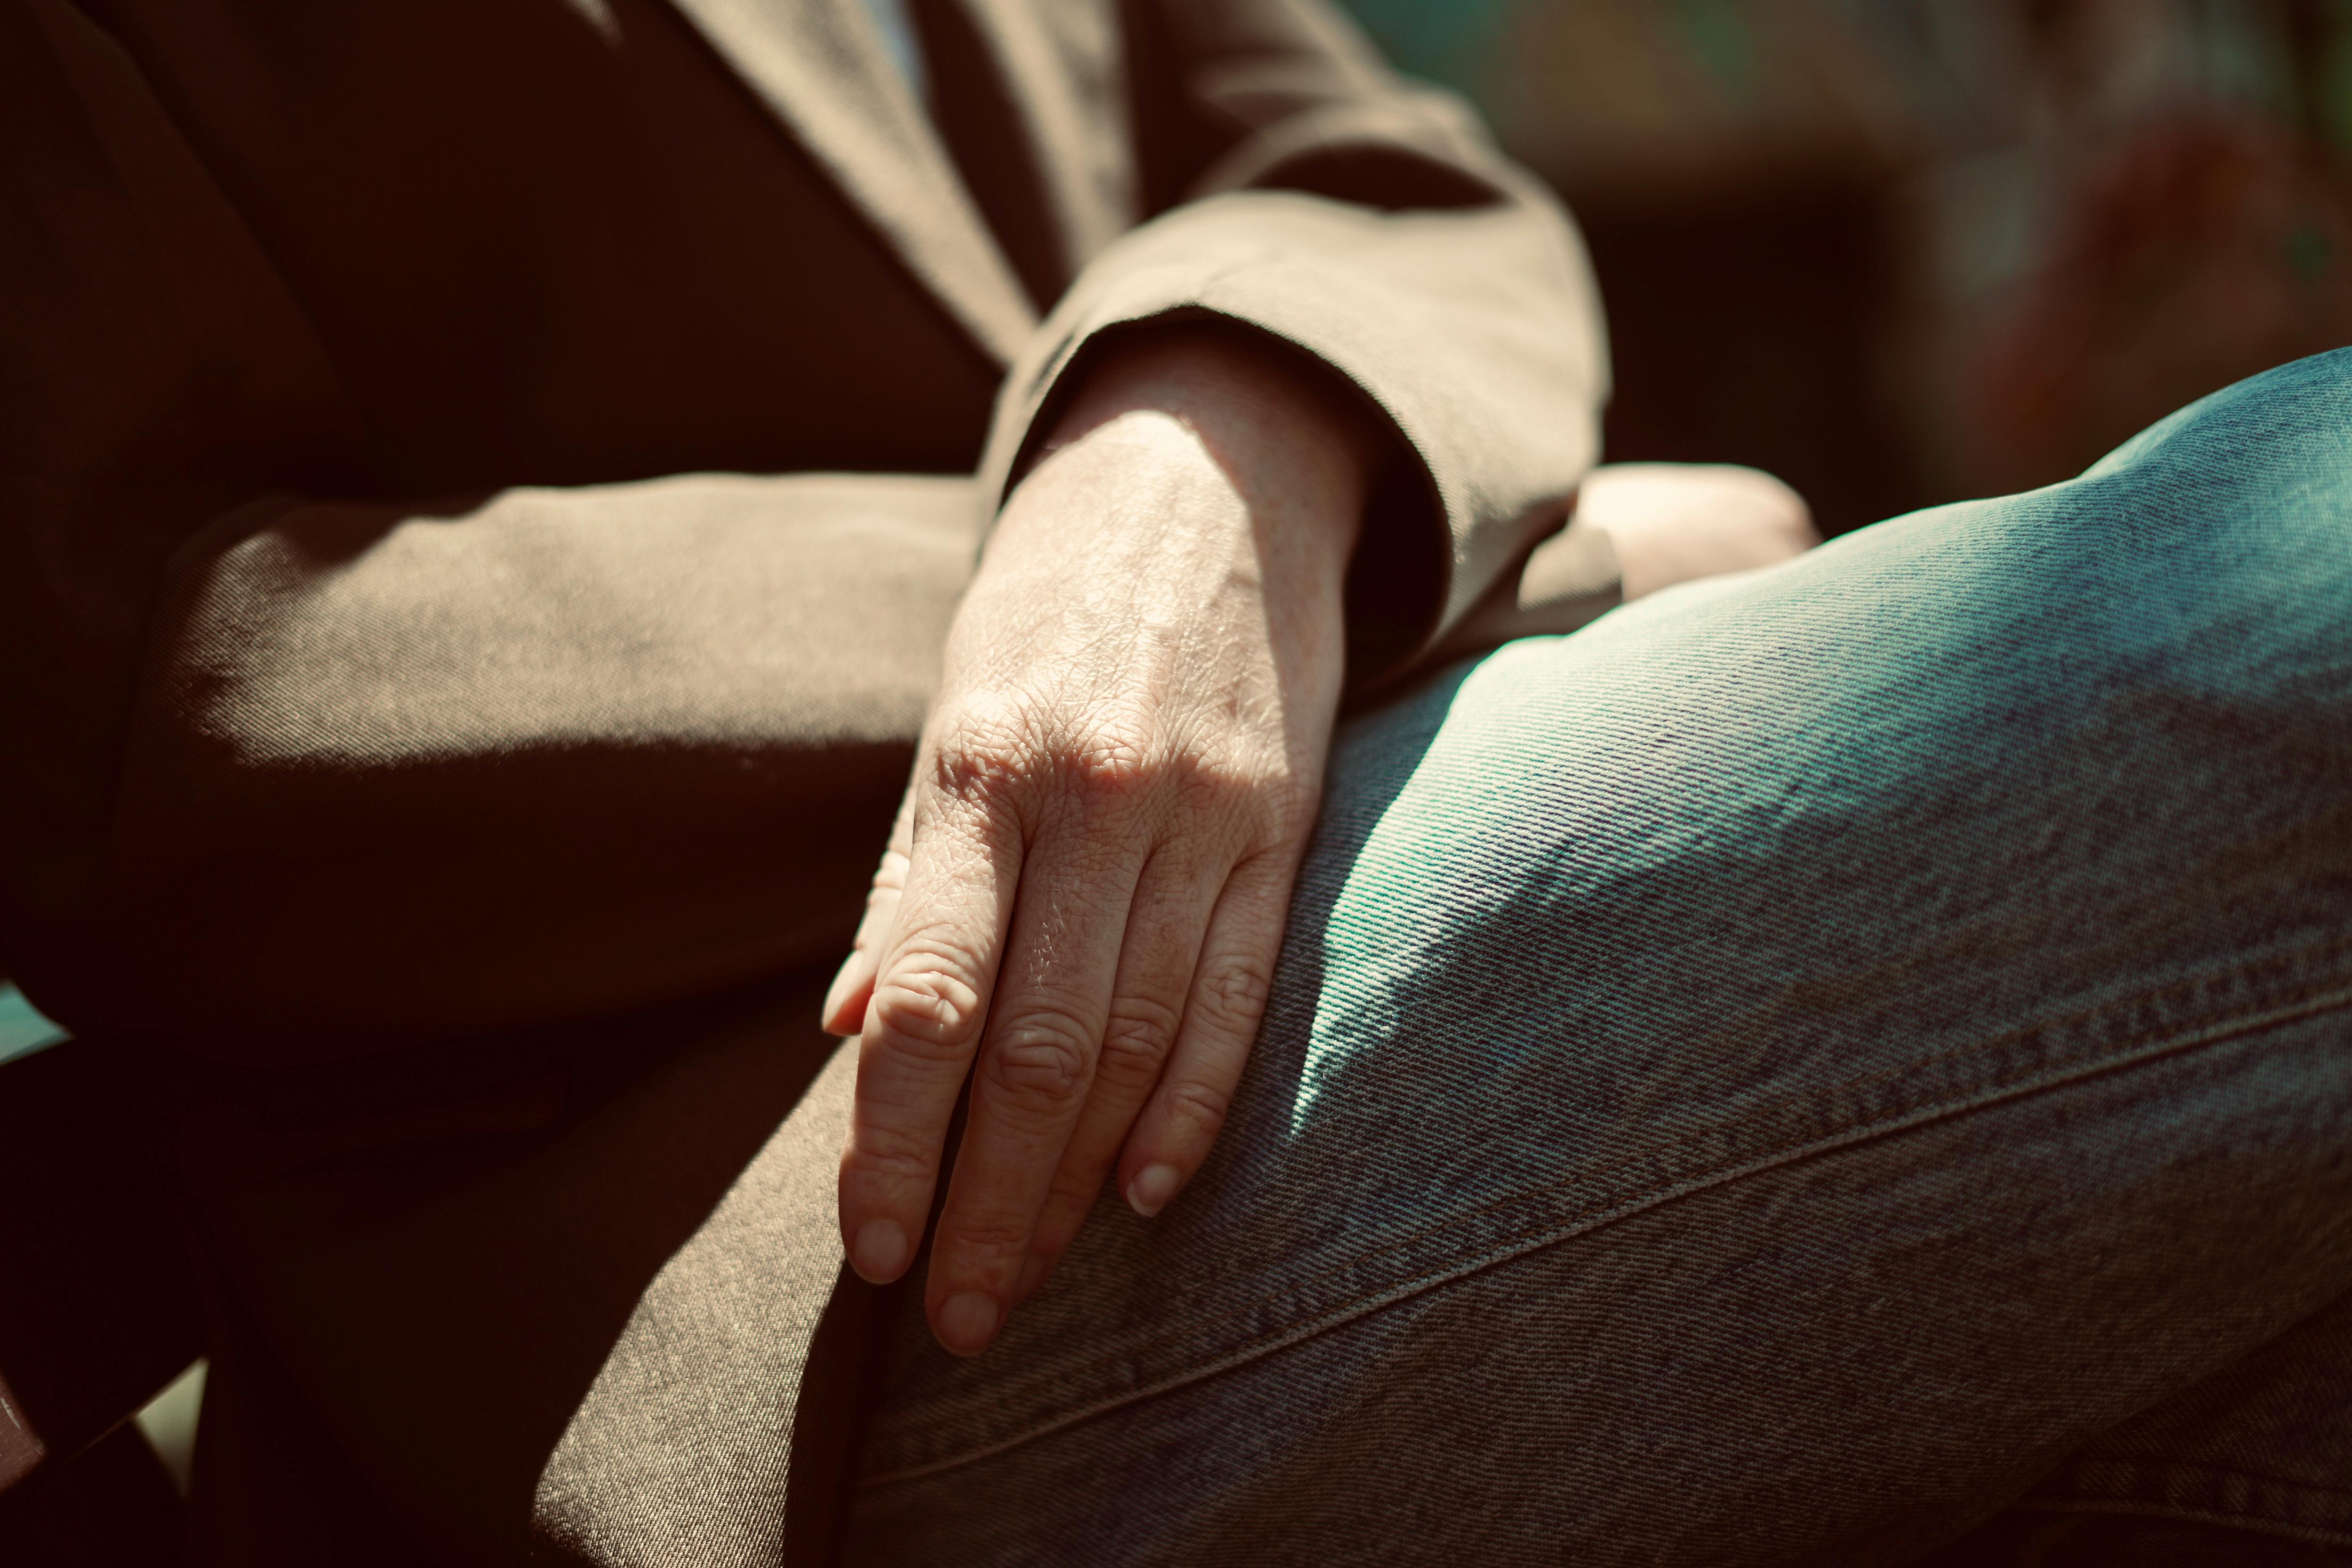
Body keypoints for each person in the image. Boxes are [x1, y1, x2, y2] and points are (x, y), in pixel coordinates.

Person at [1, 0, 2342, 1564]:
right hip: (713, 1224)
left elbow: (1362, 154)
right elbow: (112, 671)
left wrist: (1231, 415)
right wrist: (1336, 578)